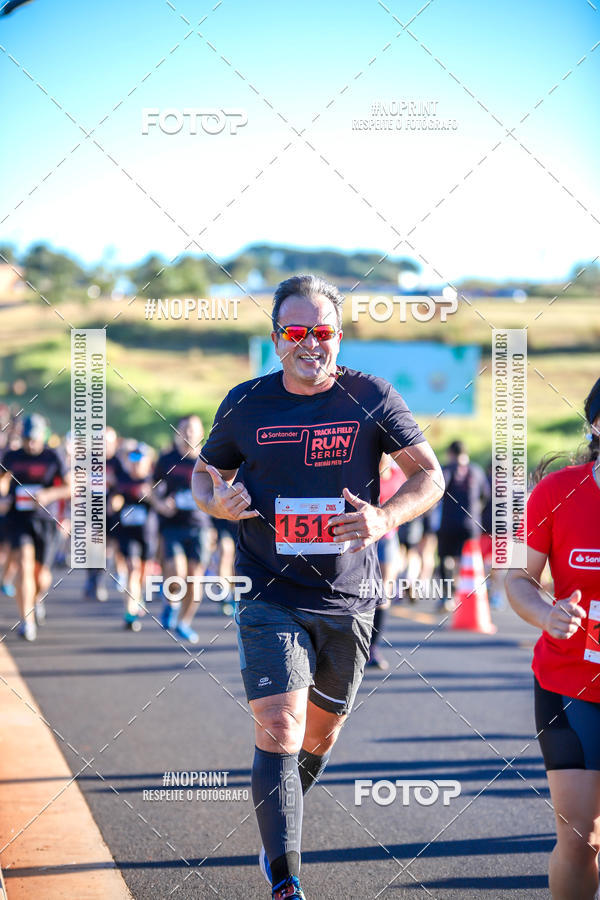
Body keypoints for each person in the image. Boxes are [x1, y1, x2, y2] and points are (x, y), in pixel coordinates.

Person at [191, 274, 444, 900]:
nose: (311, 343)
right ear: (277, 340)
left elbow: (429, 477)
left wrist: (385, 516)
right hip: (268, 592)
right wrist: (219, 505)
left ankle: (278, 816)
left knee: (318, 736)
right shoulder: (246, 402)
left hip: (348, 598)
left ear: (339, 336)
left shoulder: (371, 397)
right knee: (280, 722)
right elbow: (204, 474)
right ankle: (286, 879)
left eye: (323, 331)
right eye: (297, 332)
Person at [506, 376, 600, 900]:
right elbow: (516, 579)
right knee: (581, 838)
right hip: (571, 681)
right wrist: (547, 614)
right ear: (596, 424)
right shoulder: (556, 493)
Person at [0, 414, 70, 640]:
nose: (31, 444)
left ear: (43, 437)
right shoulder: (11, 456)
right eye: (28, 438)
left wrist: (48, 494)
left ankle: (37, 598)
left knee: (42, 577)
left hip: (46, 521)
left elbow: (72, 488)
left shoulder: (54, 457)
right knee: (24, 564)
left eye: (35, 439)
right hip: (19, 520)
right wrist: (3, 498)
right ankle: (26, 620)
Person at [153, 415, 211, 644]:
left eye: (193, 429)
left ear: (201, 433)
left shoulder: (209, 459)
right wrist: (160, 504)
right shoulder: (167, 459)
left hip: (200, 526)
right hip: (173, 525)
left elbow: (220, 487)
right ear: (177, 432)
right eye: (184, 429)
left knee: (195, 580)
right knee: (177, 571)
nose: (188, 433)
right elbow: (153, 487)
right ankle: (171, 603)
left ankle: (184, 622)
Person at [436, 440, 490, 610]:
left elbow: (436, 492)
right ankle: (469, 596)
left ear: (450, 453)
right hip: (471, 524)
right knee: (468, 561)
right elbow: (485, 496)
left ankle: (447, 596)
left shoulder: (446, 469)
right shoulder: (477, 471)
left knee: (446, 559)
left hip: (448, 523)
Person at [111, 443, 157, 632]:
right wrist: (114, 502)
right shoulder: (122, 479)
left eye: (140, 460)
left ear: (148, 462)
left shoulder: (153, 481)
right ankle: (130, 613)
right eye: (133, 460)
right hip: (127, 532)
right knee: (132, 568)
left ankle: (138, 597)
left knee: (143, 572)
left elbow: (161, 504)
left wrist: (150, 496)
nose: (136, 464)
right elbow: (112, 500)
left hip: (147, 533)